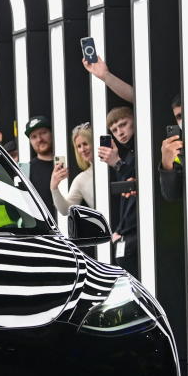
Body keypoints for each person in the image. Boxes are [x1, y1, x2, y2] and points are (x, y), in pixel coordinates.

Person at [98, 106, 139, 277]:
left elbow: (138, 186)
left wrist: (117, 163)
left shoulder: (141, 151)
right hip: (126, 234)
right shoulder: (128, 155)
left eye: (123, 124)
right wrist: (119, 230)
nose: (120, 132)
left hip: (137, 234)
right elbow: (126, 200)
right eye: (114, 130)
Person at [50, 122, 95, 215]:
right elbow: (66, 210)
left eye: (85, 144)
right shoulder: (81, 179)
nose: (82, 149)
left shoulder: (113, 165)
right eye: (79, 146)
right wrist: (54, 188)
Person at [24, 115, 57, 218]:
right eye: (34, 137)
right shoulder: (26, 170)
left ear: (51, 133)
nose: (39, 139)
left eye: (43, 133)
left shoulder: (66, 164)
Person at [158, 95, 185, 201]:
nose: (183, 120)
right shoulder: (178, 149)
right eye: (179, 117)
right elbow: (171, 195)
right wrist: (166, 165)